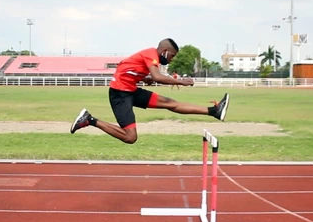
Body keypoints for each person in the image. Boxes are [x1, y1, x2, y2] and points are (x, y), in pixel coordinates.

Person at [69, 38, 230, 144]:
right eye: (172, 56)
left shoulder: (148, 57)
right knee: (130, 137)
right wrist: (180, 80)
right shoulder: (150, 54)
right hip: (120, 94)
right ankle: (89, 120)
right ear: (165, 51)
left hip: (130, 90)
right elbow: (157, 76)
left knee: (170, 103)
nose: (171, 59)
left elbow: (126, 67)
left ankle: (214, 111)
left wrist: (144, 78)